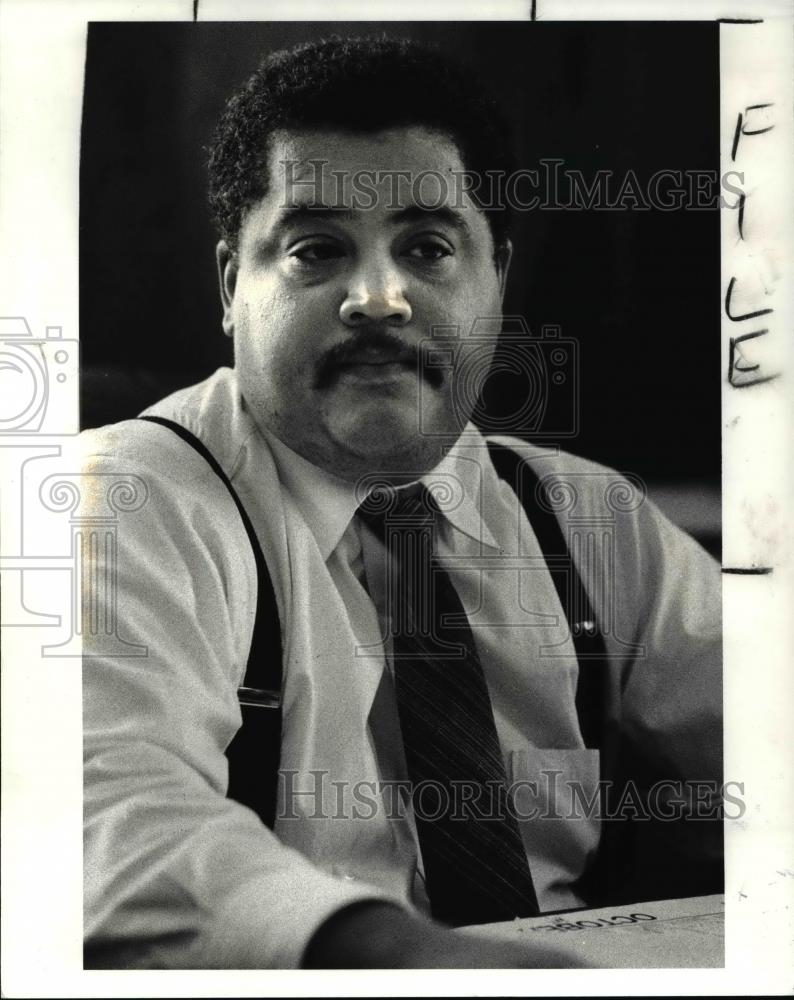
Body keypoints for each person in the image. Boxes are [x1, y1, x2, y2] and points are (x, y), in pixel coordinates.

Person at [81, 35, 722, 969]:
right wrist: (404, 959)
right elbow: (109, 812)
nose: (377, 298)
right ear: (232, 286)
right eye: (315, 250)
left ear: (496, 274)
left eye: (426, 247)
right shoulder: (128, 499)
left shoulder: (590, 520)